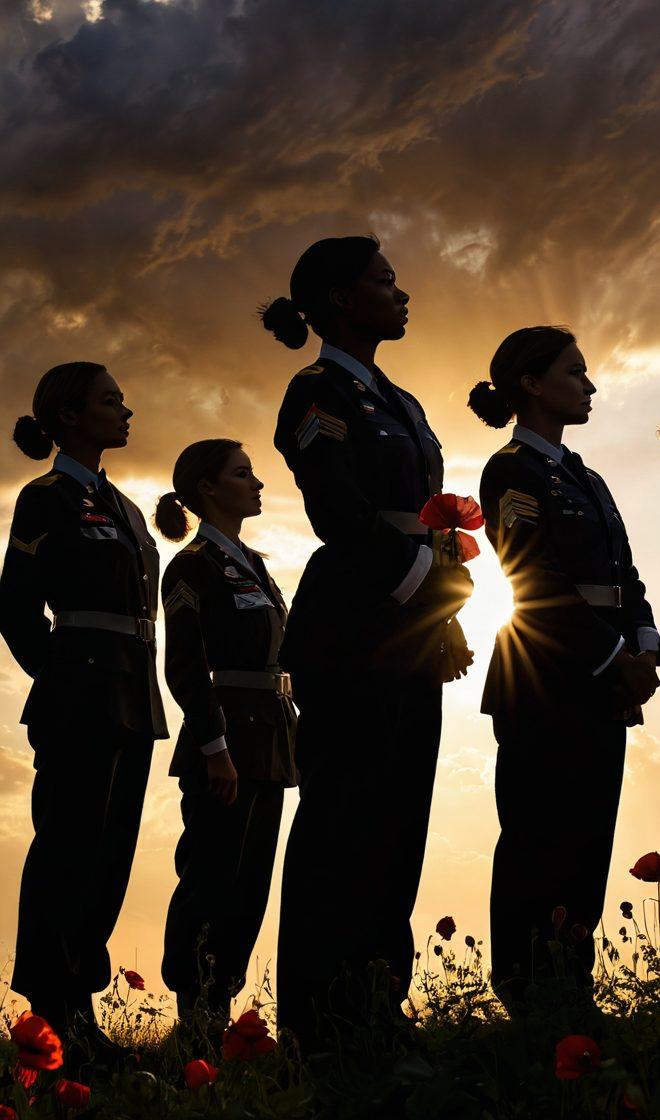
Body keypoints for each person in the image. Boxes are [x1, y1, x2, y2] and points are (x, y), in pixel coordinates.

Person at [262, 235, 473, 1041]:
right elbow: (337, 511)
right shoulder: (316, 392)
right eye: (386, 281)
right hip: (352, 624)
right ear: (343, 300)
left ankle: (377, 1000)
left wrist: (441, 611)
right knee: (343, 819)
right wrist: (423, 587)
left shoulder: (402, 402)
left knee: (399, 822)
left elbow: (434, 517)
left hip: (410, 622)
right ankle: (321, 1020)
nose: (403, 293)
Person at [469, 326, 660, 1011]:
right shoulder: (511, 470)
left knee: (588, 840)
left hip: (606, 675)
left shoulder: (588, 478)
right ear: (531, 382)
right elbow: (535, 578)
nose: (589, 384)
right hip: (547, 677)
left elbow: (627, 576)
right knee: (539, 838)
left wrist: (643, 644)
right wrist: (615, 656)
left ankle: (571, 987)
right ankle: (528, 993)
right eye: (575, 371)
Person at [0, 362, 167, 1060]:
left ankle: (81, 1013)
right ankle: (51, 1012)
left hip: (132, 692)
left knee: (110, 859)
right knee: (67, 850)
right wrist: (63, 680)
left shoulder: (124, 507)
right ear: (69, 415)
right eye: (109, 400)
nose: (124, 410)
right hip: (81, 693)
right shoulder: (47, 497)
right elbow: (14, 607)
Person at [155, 440, 297, 1027]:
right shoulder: (193, 565)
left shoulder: (254, 563)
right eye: (243, 474)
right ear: (209, 489)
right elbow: (185, 666)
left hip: (270, 738)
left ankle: (221, 1006)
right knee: (212, 878)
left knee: (250, 885)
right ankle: (195, 1013)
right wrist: (215, 748)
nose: (257, 483)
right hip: (226, 740)